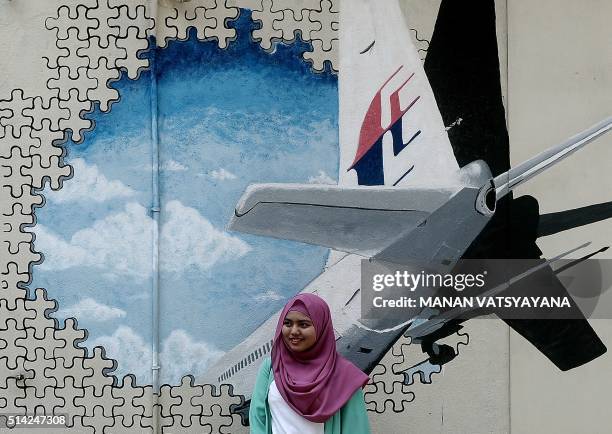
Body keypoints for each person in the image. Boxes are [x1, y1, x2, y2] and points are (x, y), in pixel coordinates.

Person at [249, 293, 372, 434]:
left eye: (303, 324)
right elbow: (258, 420)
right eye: (287, 323)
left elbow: (356, 429)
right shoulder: (271, 366)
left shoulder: (345, 376)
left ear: (321, 327)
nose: (294, 331)